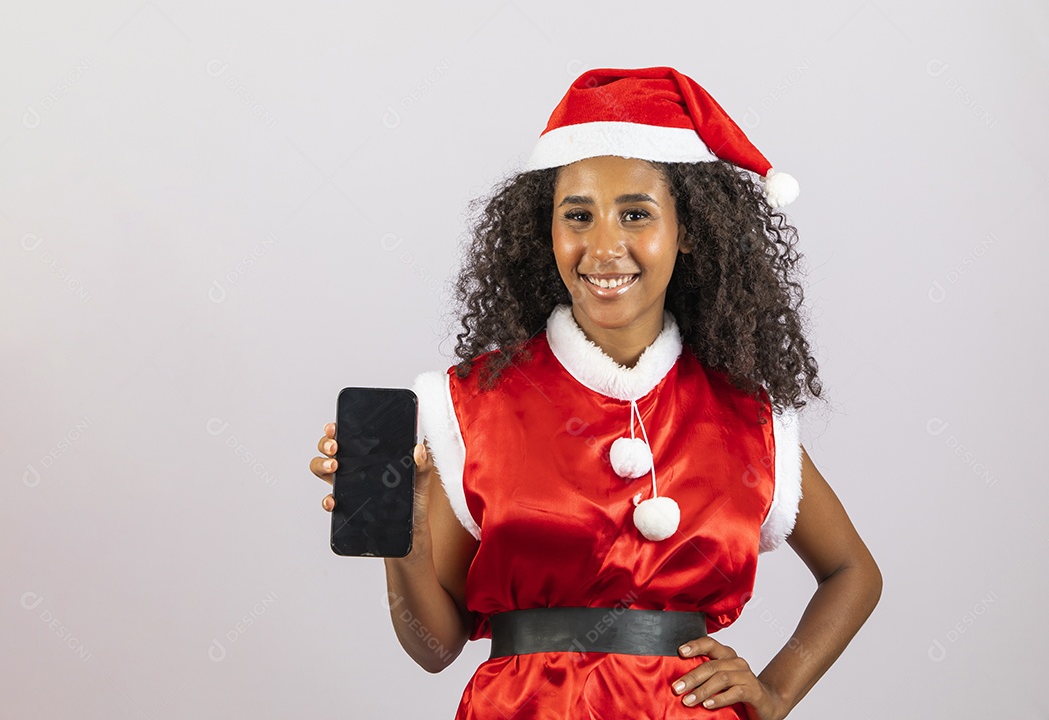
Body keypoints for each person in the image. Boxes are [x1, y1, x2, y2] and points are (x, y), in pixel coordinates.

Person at [311, 66, 882, 719]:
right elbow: (435, 647)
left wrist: (776, 692)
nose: (604, 246)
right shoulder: (473, 404)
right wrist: (406, 539)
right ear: (546, 232)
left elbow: (853, 573)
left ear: (688, 230)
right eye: (577, 215)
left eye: (636, 214)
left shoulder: (747, 416)